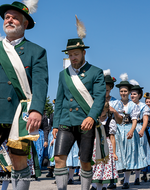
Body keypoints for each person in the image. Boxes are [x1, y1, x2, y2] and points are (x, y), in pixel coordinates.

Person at [0, 1, 48, 189]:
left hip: (20, 114)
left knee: (19, 162)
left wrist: (36, 110)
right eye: (7, 17)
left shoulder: (36, 52)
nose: (9, 20)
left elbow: (40, 83)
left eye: (14, 17)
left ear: (25, 23)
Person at [52, 37, 106, 190]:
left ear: (84, 53)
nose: (72, 58)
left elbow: (99, 98)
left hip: (86, 123)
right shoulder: (64, 75)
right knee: (58, 158)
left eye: (75, 54)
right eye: (70, 55)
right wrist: (56, 123)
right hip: (66, 122)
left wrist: (91, 116)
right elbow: (60, 100)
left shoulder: (95, 72)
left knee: (85, 161)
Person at [114, 73, 140, 189]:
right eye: (121, 91)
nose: (123, 93)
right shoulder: (116, 104)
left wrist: (131, 130)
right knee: (118, 154)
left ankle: (126, 181)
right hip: (118, 131)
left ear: (129, 92)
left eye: (125, 91)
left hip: (129, 130)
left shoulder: (133, 105)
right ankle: (112, 180)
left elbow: (134, 120)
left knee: (128, 154)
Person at [103, 69, 123, 190]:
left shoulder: (116, 102)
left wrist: (114, 111)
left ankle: (112, 180)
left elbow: (120, 121)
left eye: (107, 89)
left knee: (112, 156)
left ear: (111, 88)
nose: (105, 91)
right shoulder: (96, 100)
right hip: (100, 132)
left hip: (112, 132)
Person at [91, 102, 118, 190]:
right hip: (95, 144)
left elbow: (112, 137)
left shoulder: (111, 121)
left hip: (106, 144)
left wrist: (114, 153)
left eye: (102, 110)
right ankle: (95, 185)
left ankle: (104, 186)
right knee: (96, 164)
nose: (100, 112)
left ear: (107, 110)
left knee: (106, 165)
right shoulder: (94, 120)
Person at [129, 80, 150, 185]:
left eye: (134, 94)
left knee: (137, 152)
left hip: (138, 128)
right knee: (128, 152)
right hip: (128, 128)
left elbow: (145, 119)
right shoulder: (127, 104)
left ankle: (137, 177)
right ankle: (126, 177)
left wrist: (142, 130)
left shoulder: (143, 106)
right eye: (131, 94)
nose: (132, 96)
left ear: (139, 95)